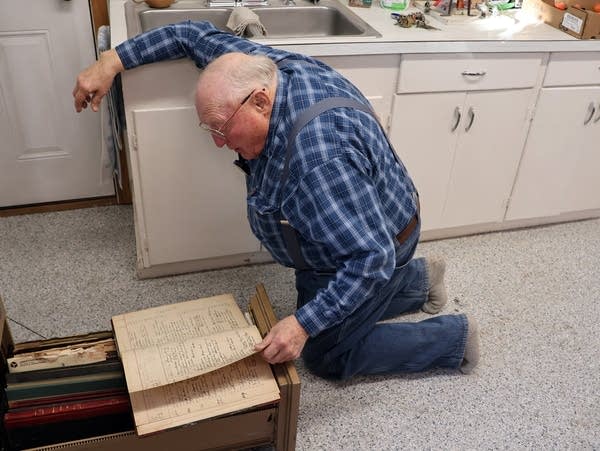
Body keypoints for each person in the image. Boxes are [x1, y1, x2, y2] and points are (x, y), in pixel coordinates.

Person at [73, 20, 480, 380]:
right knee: (318, 299)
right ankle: (422, 281)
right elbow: (189, 34)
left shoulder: (317, 162)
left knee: (327, 354)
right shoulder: (257, 69)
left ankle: (454, 339)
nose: (218, 142)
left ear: (261, 102)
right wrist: (112, 60)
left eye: (221, 127)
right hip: (372, 218)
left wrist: (302, 326)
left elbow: (371, 259)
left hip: (381, 242)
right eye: (209, 128)